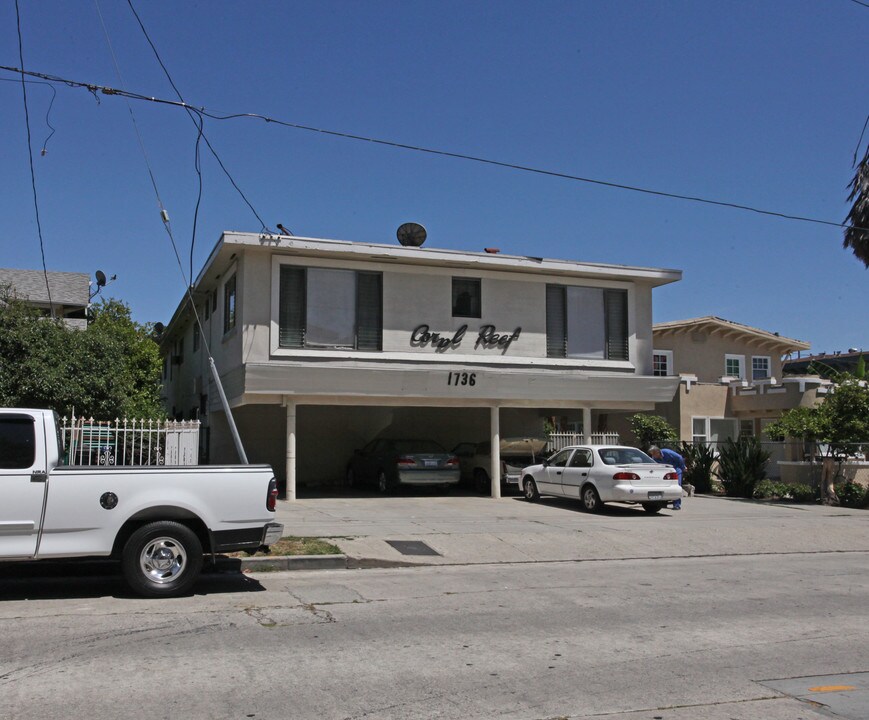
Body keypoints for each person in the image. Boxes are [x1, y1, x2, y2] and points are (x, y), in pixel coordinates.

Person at [648, 445, 686, 510]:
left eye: (654, 454)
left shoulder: (667, 452)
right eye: (652, 454)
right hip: (665, 472)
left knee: (677, 485)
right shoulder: (654, 459)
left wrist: (683, 467)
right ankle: (663, 502)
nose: (653, 456)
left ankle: (677, 504)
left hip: (675, 469)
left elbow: (679, 457)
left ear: (657, 452)